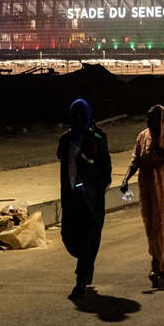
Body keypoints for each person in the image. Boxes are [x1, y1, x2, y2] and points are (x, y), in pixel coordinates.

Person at [120, 105, 164, 287]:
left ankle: (157, 265)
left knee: (161, 224)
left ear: (162, 120)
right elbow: (136, 160)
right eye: (148, 119)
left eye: (153, 119)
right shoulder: (143, 136)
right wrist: (125, 180)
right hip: (147, 184)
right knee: (150, 222)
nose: (149, 123)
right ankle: (159, 264)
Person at [58, 99, 112, 299]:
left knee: (88, 240)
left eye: (81, 115)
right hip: (71, 198)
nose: (78, 119)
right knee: (70, 235)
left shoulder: (96, 139)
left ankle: (81, 279)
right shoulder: (66, 139)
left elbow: (106, 171)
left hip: (90, 200)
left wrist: (94, 191)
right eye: (75, 115)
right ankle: (83, 267)